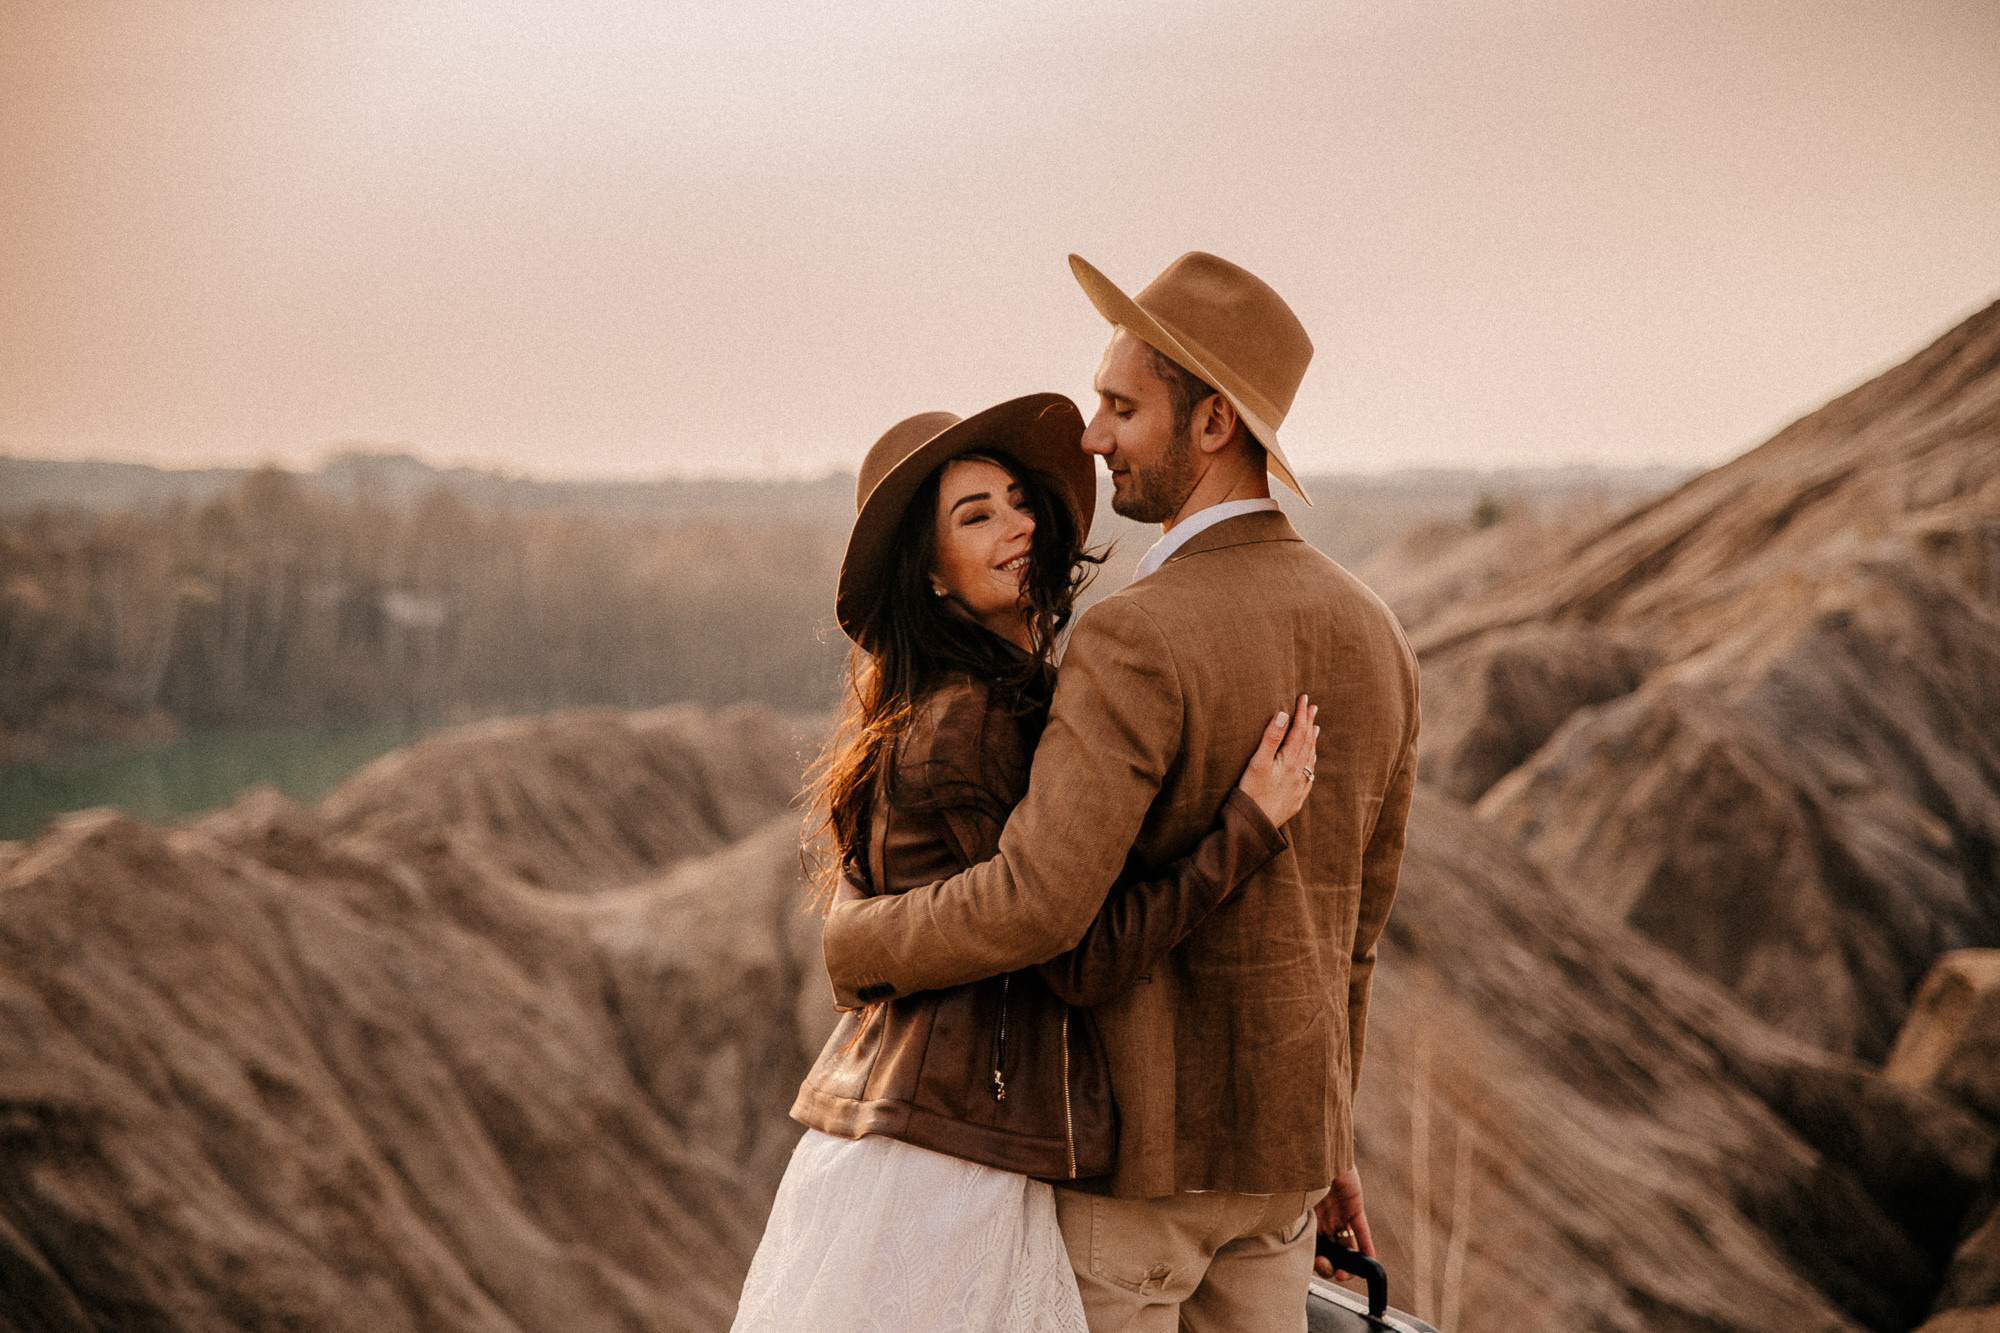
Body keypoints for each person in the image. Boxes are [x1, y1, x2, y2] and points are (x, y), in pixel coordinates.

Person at [819, 254, 1421, 1332]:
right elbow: (1353, 941)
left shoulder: (1133, 637)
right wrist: (1326, 1140)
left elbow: (1042, 908)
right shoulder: (1376, 637)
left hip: (1142, 1175)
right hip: (1279, 1179)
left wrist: (856, 940)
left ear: (1211, 425)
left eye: (1120, 406)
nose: (1092, 438)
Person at [730, 392, 1323, 1332]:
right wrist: (1244, 828)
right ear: (928, 575)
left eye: (1017, 501)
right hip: (953, 1163)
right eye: (976, 516)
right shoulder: (976, 724)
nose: (1018, 525)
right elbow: (1076, 952)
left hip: (921, 1138)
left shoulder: (960, 702)